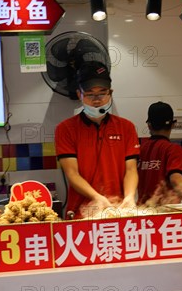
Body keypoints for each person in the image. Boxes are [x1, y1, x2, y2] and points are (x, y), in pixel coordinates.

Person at [55, 62, 140, 219]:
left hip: (118, 211)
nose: (97, 100)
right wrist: (97, 197)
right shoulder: (65, 129)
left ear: (110, 93)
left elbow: (131, 170)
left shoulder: (126, 127)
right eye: (90, 94)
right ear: (79, 94)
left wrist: (129, 197)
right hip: (81, 213)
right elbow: (72, 173)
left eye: (102, 93)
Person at [137, 101, 182, 206]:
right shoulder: (173, 149)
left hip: (143, 212)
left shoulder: (140, 150)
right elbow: (176, 180)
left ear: (149, 125)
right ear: (173, 124)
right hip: (166, 212)